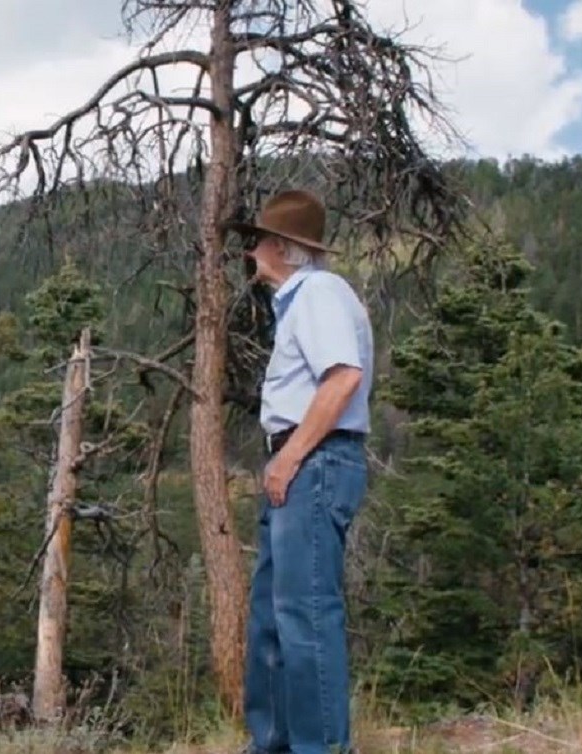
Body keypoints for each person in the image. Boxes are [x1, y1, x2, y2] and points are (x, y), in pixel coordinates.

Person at [231, 189, 374, 754]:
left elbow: (342, 378)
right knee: (273, 615)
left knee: (305, 614)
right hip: (301, 463)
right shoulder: (304, 298)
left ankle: (320, 749)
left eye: (260, 241)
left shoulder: (318, 292)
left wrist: (289, 458)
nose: (252, 252)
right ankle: (274, 744)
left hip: (311, 461)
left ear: (284, 248)